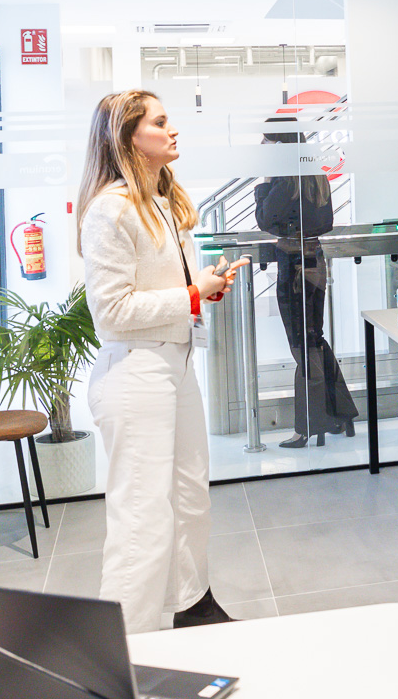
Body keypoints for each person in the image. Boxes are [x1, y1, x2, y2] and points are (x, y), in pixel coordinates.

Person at [78, 89, 237, 633]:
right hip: (136, 373)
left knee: (191, 495)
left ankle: (192, 604)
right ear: (128, 137)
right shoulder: (109, 210)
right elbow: (112, 312)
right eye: (161, 123)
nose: (173, 132)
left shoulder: (164, 205)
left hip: (174, 365)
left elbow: (171, 286)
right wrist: (192, 297)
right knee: (142, 516)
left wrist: (204, 288)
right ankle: (125, 644)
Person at [254, 117, 358, 449]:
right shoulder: (315, 175)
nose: (262, 147)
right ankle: (341, 414)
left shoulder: (286, 180)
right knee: (314, 339)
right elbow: (324, 222)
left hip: (294, 265)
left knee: (302, 345)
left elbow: (264, 220)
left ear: (280, 145)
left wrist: (265, 182)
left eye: (267, 141)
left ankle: (308, 426)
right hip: (315, 262)